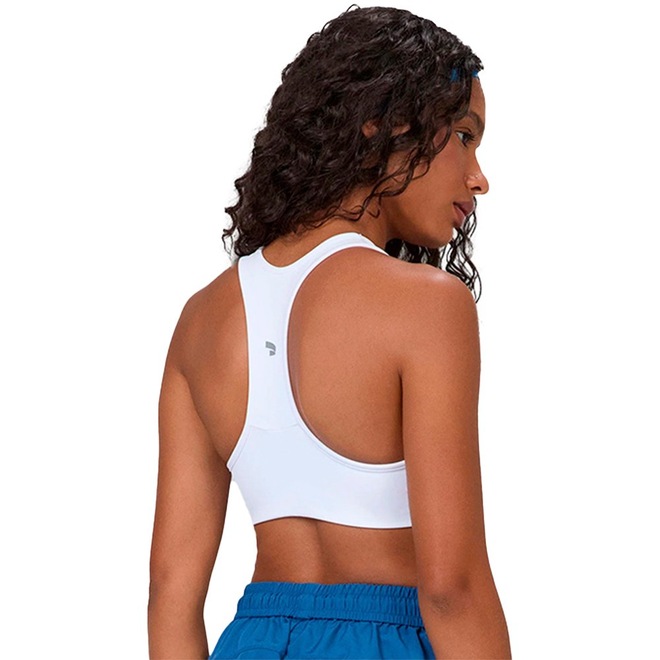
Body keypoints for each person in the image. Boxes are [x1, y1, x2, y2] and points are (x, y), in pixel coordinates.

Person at [148, 5, 511, 659]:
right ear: (383, 126)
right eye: (464, 135)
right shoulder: (428, 306)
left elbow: (170, 596)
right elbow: (451, 589)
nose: (478, 177)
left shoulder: (201, 321)